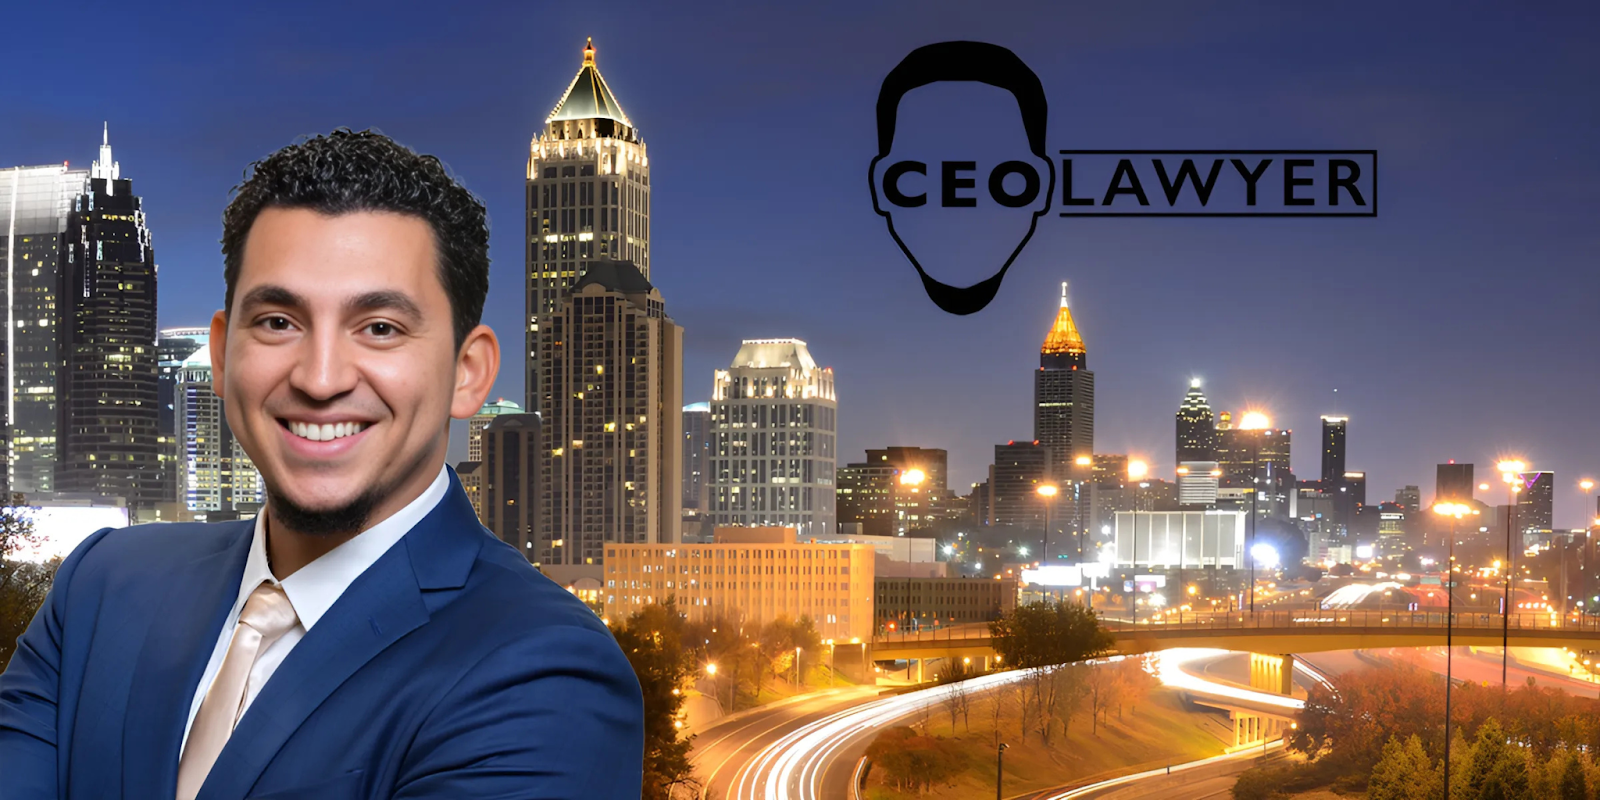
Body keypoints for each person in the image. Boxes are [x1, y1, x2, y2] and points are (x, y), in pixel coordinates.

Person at [0, 129, 644, 799]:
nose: (321, 377)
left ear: (467, 372)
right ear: (222, 356)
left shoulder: (544, 674)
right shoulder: (103, 588)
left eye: (380, 328)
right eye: (279, 321)